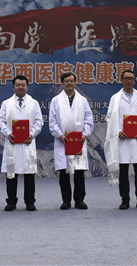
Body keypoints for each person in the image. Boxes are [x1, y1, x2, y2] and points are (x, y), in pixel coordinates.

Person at [104, 70, 137, 210]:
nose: (129, 81)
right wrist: (117, 131)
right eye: (126, 78)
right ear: (121, 80)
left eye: (131, 78)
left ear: (135, 80)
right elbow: (109, 118)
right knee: (123, 173)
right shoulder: (115, 98)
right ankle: (125, 199)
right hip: (122, 140)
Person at [0, 75, 43, 211]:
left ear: (27, 87)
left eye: (23, 85)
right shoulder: (6, 103)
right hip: (12, 142)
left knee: (29, 174)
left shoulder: (34, 103)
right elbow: (0, 120)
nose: (20, 87)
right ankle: (11, 202)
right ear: (13, 87)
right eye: (18, 85)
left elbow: (39, 121)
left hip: (28, 142)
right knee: (11, 174)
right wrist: (7, 133)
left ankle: (30, 202)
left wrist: (32, 134)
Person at [48, 72, 94, 210]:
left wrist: (85, 134)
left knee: (79, 172)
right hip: (63, 141)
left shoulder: (83, 100)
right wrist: (60, 135)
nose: (69, 83)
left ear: (75, 83)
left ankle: (79, 200)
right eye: (66, 81)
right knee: (64, 173)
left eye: (72, 81)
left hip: (79, 141)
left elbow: (89, 120)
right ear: (62, 83)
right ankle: (66, 200)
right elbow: (52, 122)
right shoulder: (56, 101)